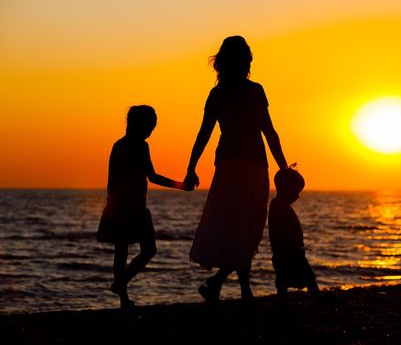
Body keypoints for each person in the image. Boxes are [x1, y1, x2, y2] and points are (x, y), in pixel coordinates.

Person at [184, 36, 288, 305]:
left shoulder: (217, 93)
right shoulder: (255, 90)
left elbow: (203, 134)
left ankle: (239, 290)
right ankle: (221, 284)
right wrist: (283, 166)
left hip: (228, 166)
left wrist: (191, 167)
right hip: (253, 165)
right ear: (247, 60)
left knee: (235, 227)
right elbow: (269, 132)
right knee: (247, 228)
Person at [97, 105, 188, 309]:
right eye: (150, 127)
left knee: (121, 252)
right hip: (132, 207)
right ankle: (121, 288)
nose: (151, 131)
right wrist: (180, 186)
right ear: (140, 124)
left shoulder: (118, 145)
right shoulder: (139, 146)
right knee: (147, 250)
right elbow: (152, 176)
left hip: (119, 206)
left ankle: (122, 294)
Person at [268, 167, 321, 308]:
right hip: (287, 252)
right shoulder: (278, 207)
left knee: (296, 278)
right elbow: (279, 231)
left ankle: (315, 300)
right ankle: (316, 300)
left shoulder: (280, 206)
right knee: (296, 279)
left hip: (292, 251)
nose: (297, 196)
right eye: (296, 192)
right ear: (286, 189)